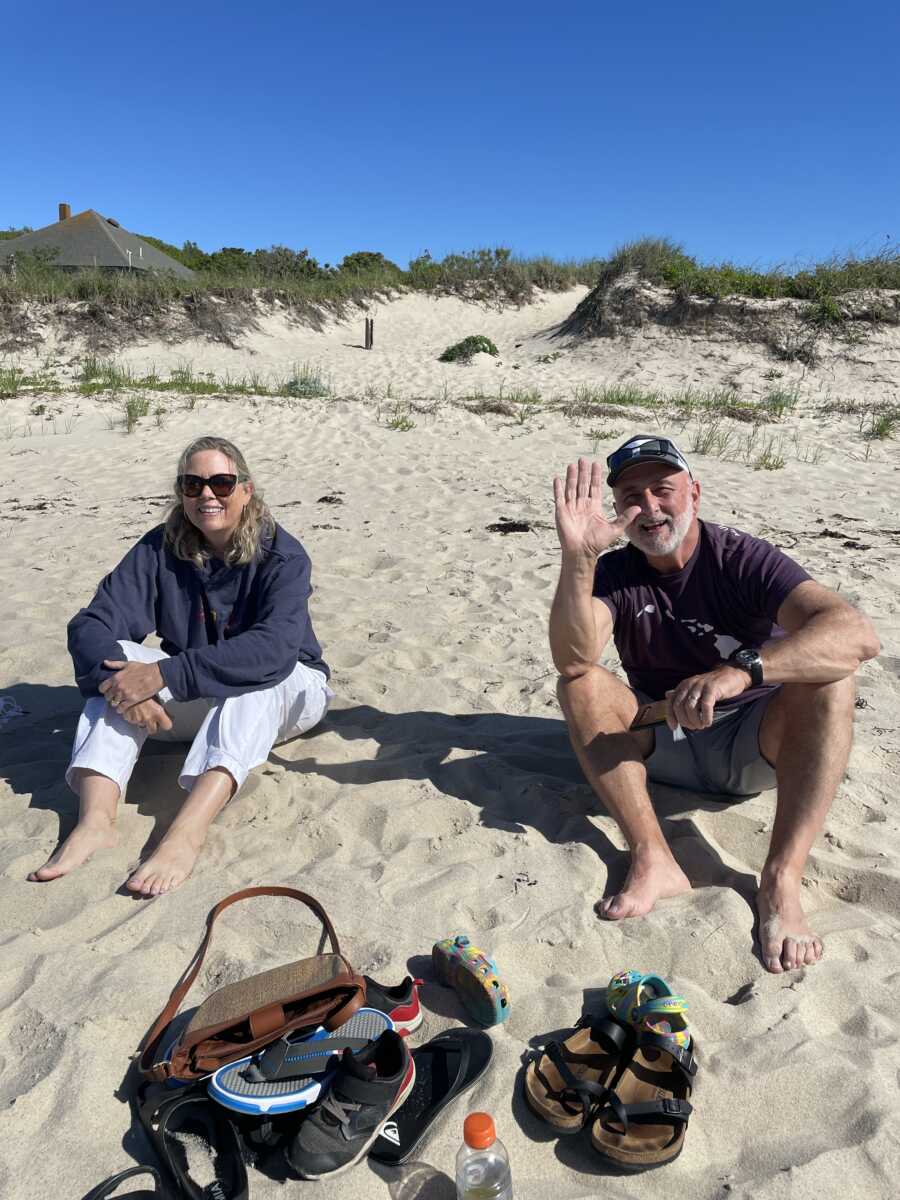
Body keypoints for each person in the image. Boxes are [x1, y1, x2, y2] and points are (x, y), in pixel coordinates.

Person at [549, 435, 881, 974]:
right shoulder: (616, 573)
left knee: (833, 678)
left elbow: (856, 634)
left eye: (663, 490)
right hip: (664, 738)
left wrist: (741, 671)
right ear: (617, 511)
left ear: (694, 495)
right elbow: (573, 656)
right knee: (580, 683)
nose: (650, 507)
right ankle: (652, 856)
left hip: (754, 742)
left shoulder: (741, 558)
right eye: (632, 495)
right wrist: (580, 559)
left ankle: (781, 879)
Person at [28, 435, 332, 896]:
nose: (207, 494)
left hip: (292, 692)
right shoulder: (160, 548)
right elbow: (92, 624)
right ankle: (95, 820)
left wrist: (164, 676)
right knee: (116, 665)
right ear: (181, 493)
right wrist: (124, 686)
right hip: (198, 692)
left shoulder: (281, 555)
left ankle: (187, 831)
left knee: (255, 680)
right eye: (193, 485)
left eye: (222, 483)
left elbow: (275, 649)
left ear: (246, 490)